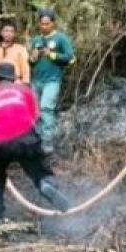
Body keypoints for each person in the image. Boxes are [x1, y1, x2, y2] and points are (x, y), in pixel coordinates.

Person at [0, 62, 70, 222]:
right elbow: (35, 118)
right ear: (13, 79)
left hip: (0, 144)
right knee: (39, 171)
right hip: (26, 139)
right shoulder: (25, 91)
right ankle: (45, 183)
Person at [28, 8, 75, 152]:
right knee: (34, 112)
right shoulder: (36, 40)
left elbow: (71, 58)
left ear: (53, 23)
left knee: (46, 109)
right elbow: (30, 62)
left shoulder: (61, 38)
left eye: (47, 23)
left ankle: (47, 144)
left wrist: (52, 55)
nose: (44, 26)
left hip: (52, 80)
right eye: (42, 23)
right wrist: (33, 57)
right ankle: (36, 141)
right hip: (36, 81)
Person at [0, 21, 30, 90]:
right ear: (1, 33)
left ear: (14, 34)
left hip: (16, 82)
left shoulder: (21, 49)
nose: (9, 34)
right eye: (6, 31)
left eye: (11, 31)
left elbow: (25, 68)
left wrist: (25, 83)